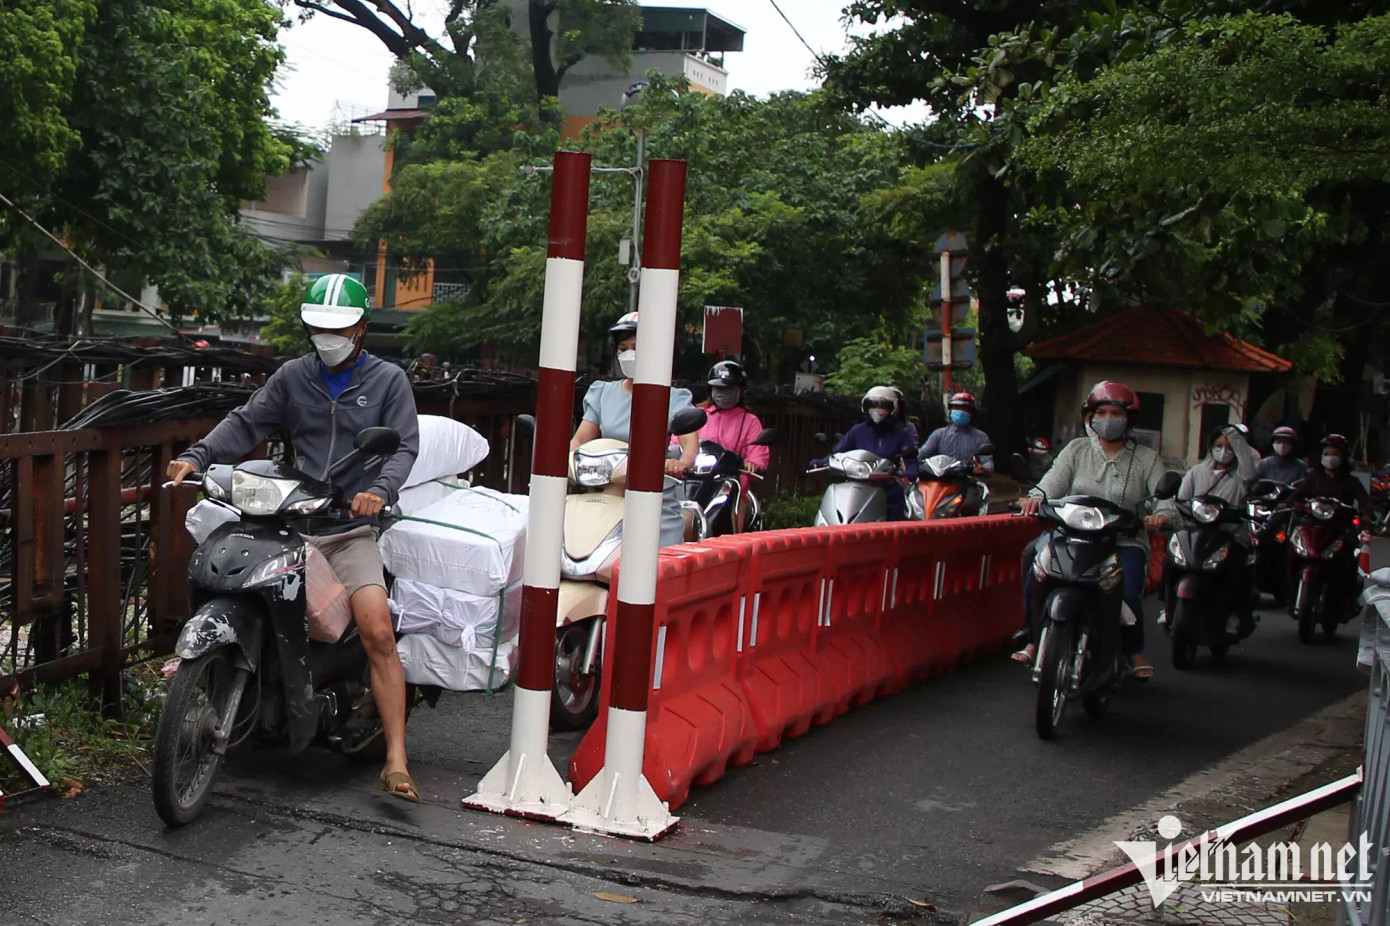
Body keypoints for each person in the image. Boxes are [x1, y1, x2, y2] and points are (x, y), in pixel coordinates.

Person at [166, 274, 422, 802]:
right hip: (289, 520)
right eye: (318, 329)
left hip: (347, 528)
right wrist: (198, 455)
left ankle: (396, 757)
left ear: (361, 329)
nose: (327, 337)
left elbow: (403, 448)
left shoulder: (389, 380)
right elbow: (246, 421)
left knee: (376, 628)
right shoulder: (292, 376)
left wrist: (378, 490)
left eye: (339, 329)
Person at [1014, 381, 1173, 678]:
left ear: (1130, 419)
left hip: (1122, 540)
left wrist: (1160, 516)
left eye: (1116, 413)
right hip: (1071, 535)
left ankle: (1134, 650)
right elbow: (1051, 484)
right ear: (1090, 417)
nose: (1109, 418)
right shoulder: (1076, 450)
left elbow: (1165, 501)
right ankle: (1034, 636)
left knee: (1126, 588)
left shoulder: (1146, 458)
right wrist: (1034, 499)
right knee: (1035, 561)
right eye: (1102, 412)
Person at [571, 311, 698, 547]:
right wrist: (566, 458)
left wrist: (681, 463)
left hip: (653, 497)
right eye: (623, 348)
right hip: (603, 491)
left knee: (660, 566)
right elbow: (579, 440)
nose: (629, 354)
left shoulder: (672, 398)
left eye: (637, 347)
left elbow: (689, 443)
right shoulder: (602, 393)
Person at [1169, 424, 1260, 636]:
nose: (1223, 451)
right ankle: (1169, 609)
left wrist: (1236, 439)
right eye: (1219, 445)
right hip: (1194, 533)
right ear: (1210, 447)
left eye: (1229, 447)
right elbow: (1180, 500)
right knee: (1170, 561)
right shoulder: (1197, 472)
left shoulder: (1240, 477)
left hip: (1229, 535)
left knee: (1238, 569)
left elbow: (1249, 473)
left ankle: (1233, 615)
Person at [820, 386, 919, 520]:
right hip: (855, 483)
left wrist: (911, 471)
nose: (877, 410)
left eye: (883, 406)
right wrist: (822, 462)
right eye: (872, 405)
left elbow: (911, 457)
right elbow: (838, 452)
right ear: (865, 406)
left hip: (886, 487)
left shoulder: (900, 433)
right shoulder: (857, 431)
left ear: (893, 408)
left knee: (896, 514)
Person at [696, 360, 770, 532]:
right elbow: (679, 442)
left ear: (741, 391)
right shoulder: (698, 416)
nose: (723, 393)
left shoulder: (750, 421)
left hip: (731, 489)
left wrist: (753, 464)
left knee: (735, 501)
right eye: (719, 388)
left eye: (730, 389)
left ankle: (735, 546)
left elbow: (758, 454)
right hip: (695, 483)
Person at [918, 391, 994, 474]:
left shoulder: (981, 437)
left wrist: (983, 468)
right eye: (957, 408)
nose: (961, 412)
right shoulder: (939, 435)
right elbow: (921, 454)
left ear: (972, 413)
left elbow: (988, 464)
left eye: (965, 409)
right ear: (950, 411)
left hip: (968, 480)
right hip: (942, 480)